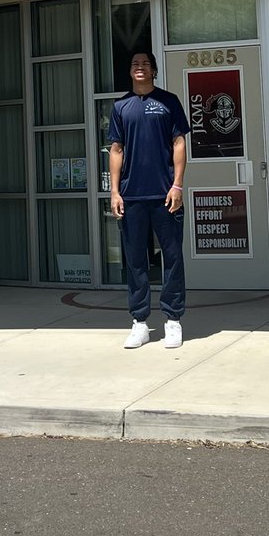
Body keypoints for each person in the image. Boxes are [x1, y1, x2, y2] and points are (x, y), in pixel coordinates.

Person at [108, 51, 190, 349]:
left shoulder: (169, 102)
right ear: (130, 72)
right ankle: (140, 322)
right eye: (134, 65)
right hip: (132, 196)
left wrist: (177, 185)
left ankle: (172, 320)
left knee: (172, 257)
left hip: (165, 194)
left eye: (145, 64)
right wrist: (115, 192)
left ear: (153, 70)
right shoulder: (121, 106)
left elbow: (179, 142)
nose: (139, 68)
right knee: (136, 261)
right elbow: (116, 150)